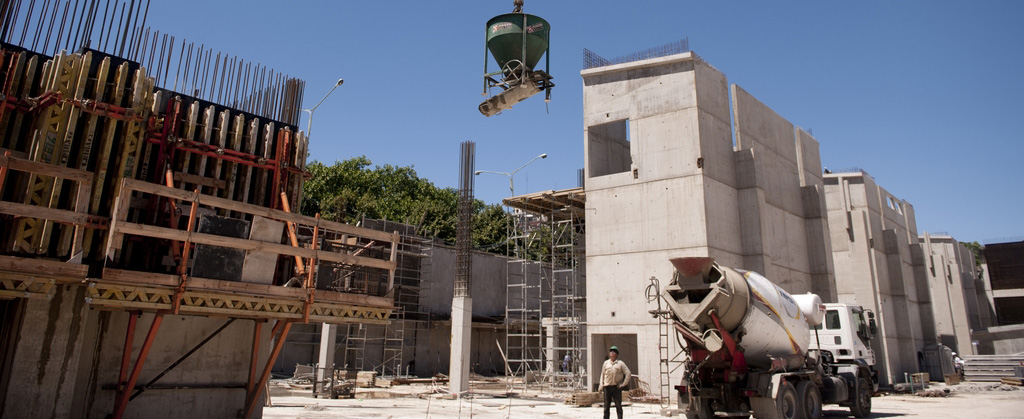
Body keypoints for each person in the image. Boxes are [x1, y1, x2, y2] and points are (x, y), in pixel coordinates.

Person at [600, 346, 631, 419]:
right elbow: (602, 374)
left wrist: (623, 384)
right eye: (611, 351)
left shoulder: (620, 363)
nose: (612, 353)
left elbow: (628, 373)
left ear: (617, 354)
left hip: (616, 387)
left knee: (618, 406)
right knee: (606, 407)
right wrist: (601, 385)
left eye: (614, 352)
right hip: (607, 387)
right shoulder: (606, 363)